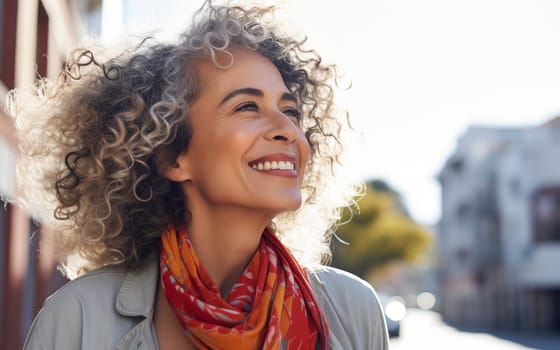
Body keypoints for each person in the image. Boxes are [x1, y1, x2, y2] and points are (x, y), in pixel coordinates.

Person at [11, 2, 389, 349]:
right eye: (247, 106)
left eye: (290, 110)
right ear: (174, 157)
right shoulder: (77, 318)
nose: (288, 130)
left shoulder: (353, 310)